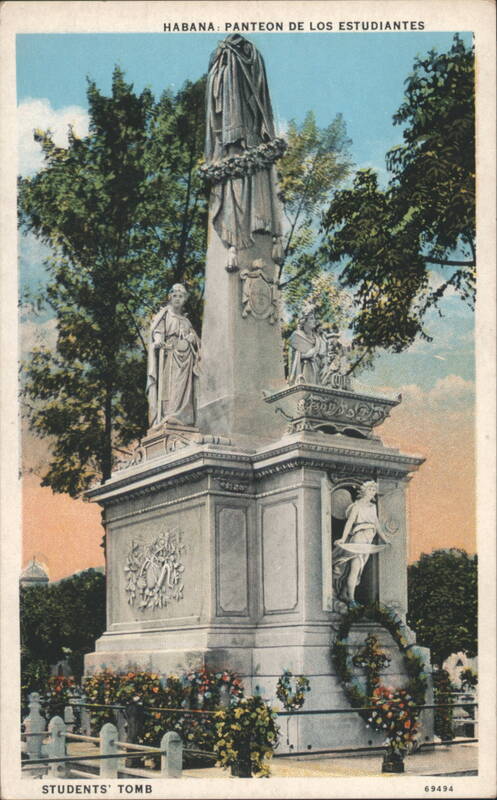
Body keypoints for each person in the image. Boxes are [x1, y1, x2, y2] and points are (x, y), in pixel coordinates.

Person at [146, 284, 200, 428]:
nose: (177, 299)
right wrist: (158, 339)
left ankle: (184, 417)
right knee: (171, 387)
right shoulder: (165, 314)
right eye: (175, 296)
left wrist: (192, 339)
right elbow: (157, 330)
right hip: (170, 355)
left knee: (185, 388)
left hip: (187, 359)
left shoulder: (186, 321)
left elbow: (196, 340)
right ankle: (169, 414)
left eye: (181, 296)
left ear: (184, 299)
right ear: (170, 297)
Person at [332, 481, 391, 607]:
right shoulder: (357, 506)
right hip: (359, 539)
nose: (372, 492)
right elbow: (349, 523)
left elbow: (376, 525)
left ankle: (344, 594)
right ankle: (351, 600)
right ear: (364, 491)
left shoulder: (372, 507)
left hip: (368, 541)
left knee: (358, 570)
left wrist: (385, 540)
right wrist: (343, 538)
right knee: (355, 569)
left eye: (374, 490)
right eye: (370, 489)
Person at [288, 308, 326, 384]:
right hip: (303, 373)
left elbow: (323, 357)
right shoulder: (297, 336)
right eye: (311, 318)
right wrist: (306, 355)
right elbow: (293, 357)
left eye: (314, 318)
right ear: (304, 321)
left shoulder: (318, 339)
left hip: (316, 374)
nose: (314, 321)